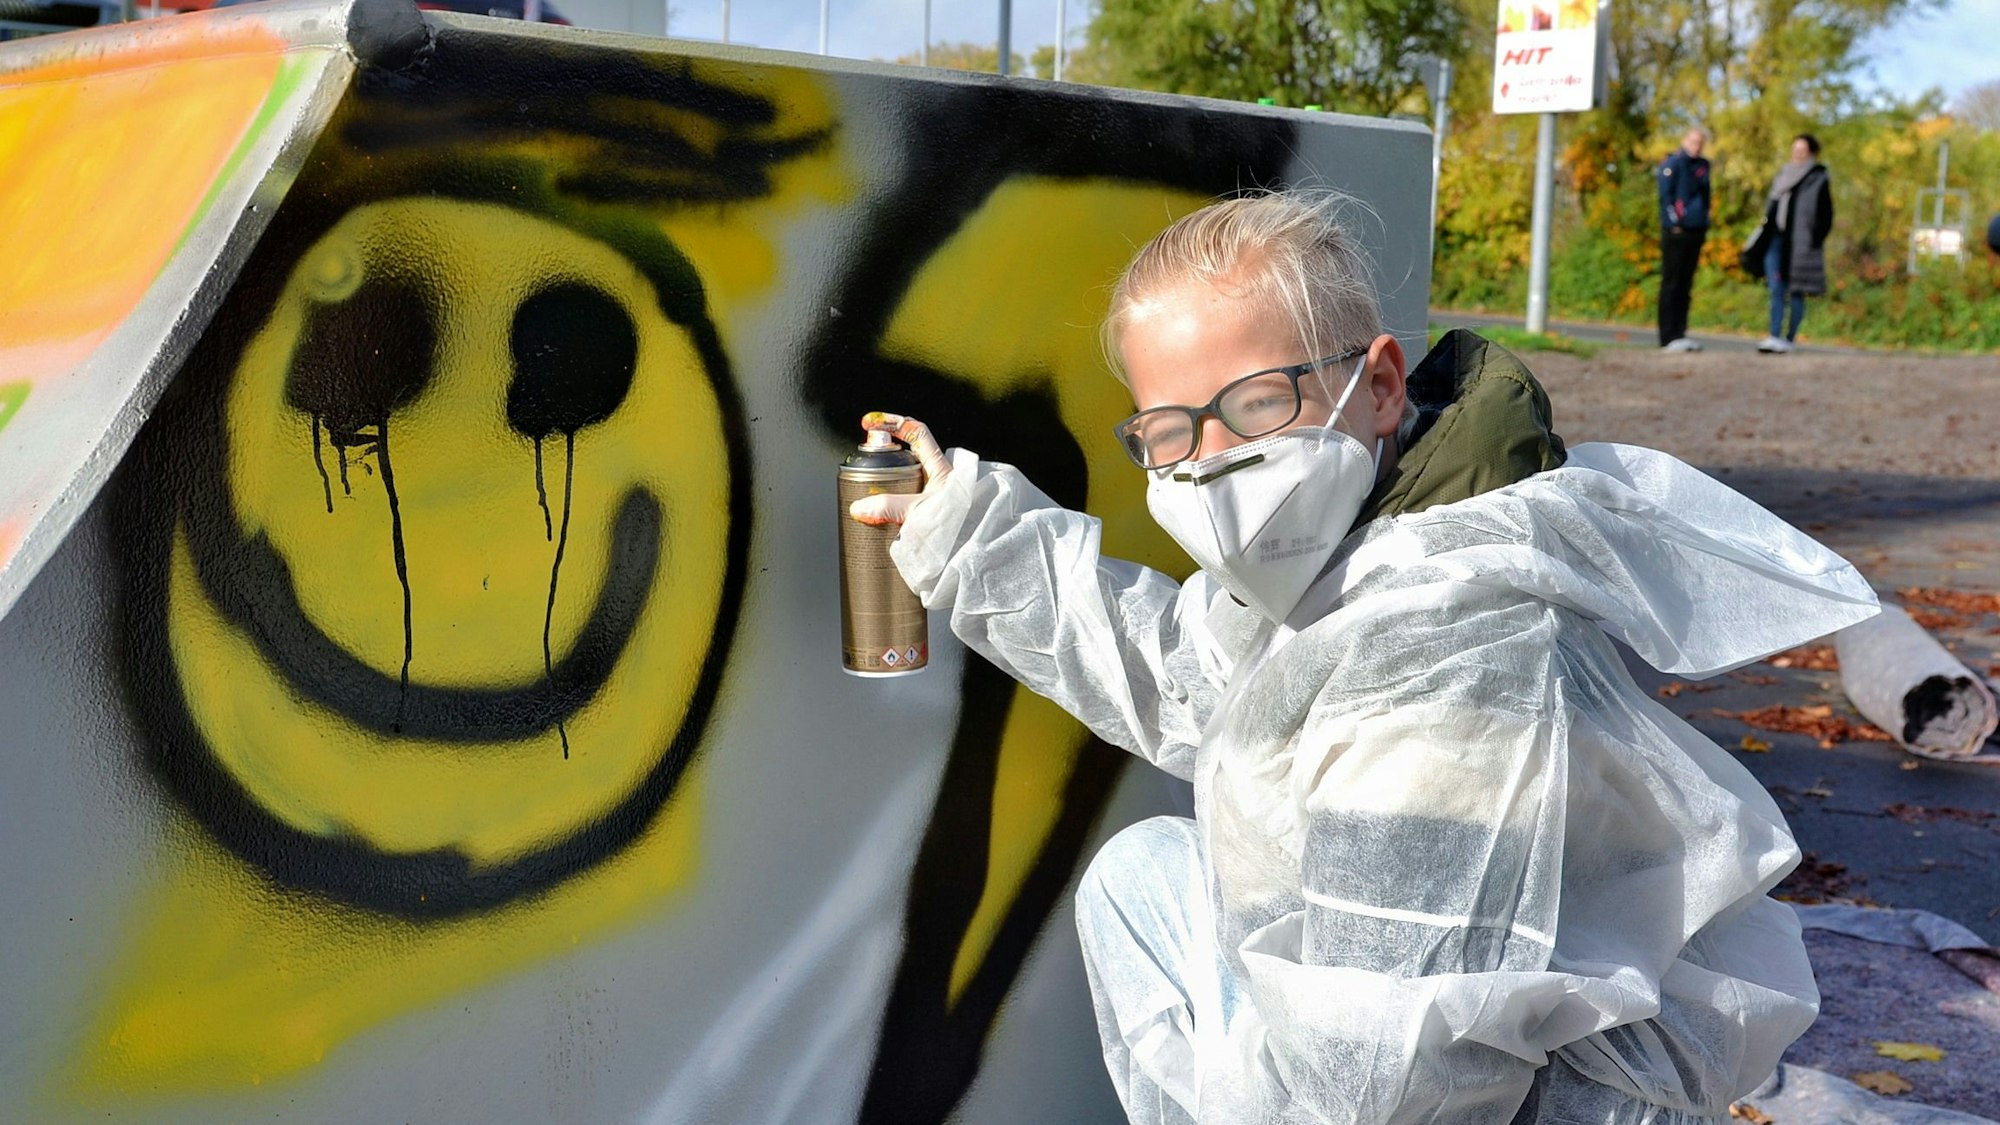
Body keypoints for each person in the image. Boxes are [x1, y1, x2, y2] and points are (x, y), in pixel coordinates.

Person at [850, 190, 1878, 1123]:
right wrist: (967, 532)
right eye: (1169, 430)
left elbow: (1390, 1091)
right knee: (1143, 875)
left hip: (1529, 1102)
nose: (1214, 463)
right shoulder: (1358, 550)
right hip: (1417, 1056)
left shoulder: (1452, 642)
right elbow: (1190, 679)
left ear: (1379, 385)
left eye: (1257, 404)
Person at [1757, 135, 1835, 354]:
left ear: (1811, 153)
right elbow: (1772, 207)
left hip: (1801, 244)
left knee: (1796, 291)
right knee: (1776, 287)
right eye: (1795, 149)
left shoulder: (1817, 178)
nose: (1797, 154)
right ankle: (1774, 335)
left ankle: (1789, 338)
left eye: (1802, 150)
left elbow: (1826, 215)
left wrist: (1814, 239)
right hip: (1775, 238)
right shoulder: (1783, 175)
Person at [1656, 127, 1712, 351]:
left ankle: (1680, 333)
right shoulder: (1674, 163)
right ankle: (1668, 336)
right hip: (1676, 232)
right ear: (1685, 140)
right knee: (1672, 282)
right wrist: (1674, 224)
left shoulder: (1703, 166)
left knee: (1685, 284)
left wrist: (1705, 219)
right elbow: (1665, 196)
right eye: (1693, 141)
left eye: (1700, 142)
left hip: (1696, 230)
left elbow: (1706, 196)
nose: (1696, 146)